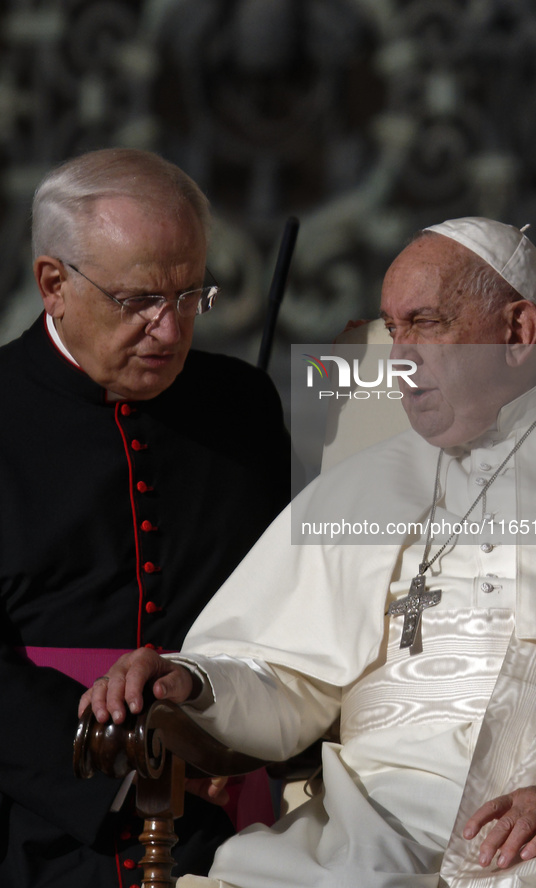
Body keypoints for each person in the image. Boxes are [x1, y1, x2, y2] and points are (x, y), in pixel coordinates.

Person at [83, 217, 536, 888]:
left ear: (517, 333)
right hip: (373, 819)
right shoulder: (361, 484)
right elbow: (283, 674)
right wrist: (196, 683)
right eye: (392, 328)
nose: (398, 356)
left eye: (425, 323)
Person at [0, 148, 291, 888]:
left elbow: (283, 601)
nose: (168, 332)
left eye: (191, 296)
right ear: (52, 284)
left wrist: (225, 735)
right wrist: (131, 768)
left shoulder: (242, 404)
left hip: (228, 805)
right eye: (137, 302)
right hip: (39, 815)